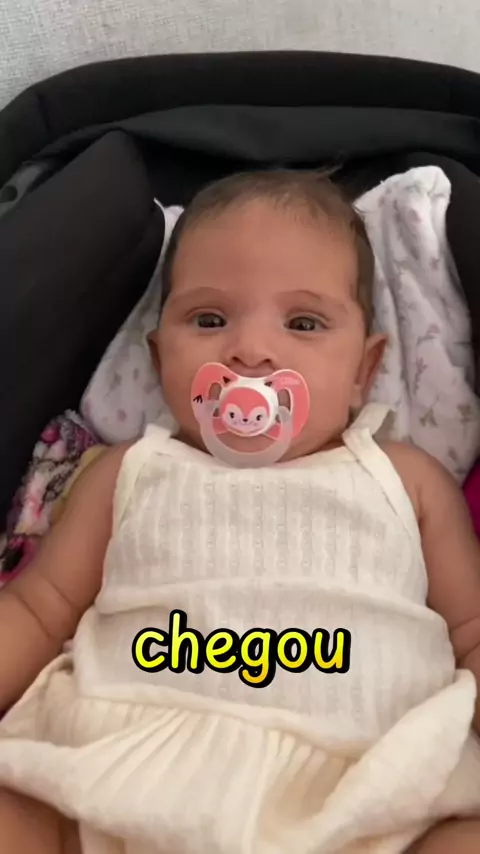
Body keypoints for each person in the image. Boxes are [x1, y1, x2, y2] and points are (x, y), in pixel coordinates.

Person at [0, 169, 479, 854]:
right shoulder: (129, 470)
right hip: (121, 764)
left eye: (304, 323)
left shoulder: (407, 479)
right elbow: (38, 607)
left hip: (363, 783)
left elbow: (472, 630)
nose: (251, 351)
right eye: (209, 319)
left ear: (362, 371)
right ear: (160, 358)